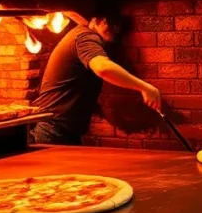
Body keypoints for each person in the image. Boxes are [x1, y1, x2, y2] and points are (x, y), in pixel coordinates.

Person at [31, 15, 162, 145]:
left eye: (117, 24)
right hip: (52, 130)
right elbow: (103, 68)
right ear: (94, 20)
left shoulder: (83, 36)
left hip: (60, 130)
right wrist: (145, 88)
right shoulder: (85, 36)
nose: (114, 28)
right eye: (108, 22)